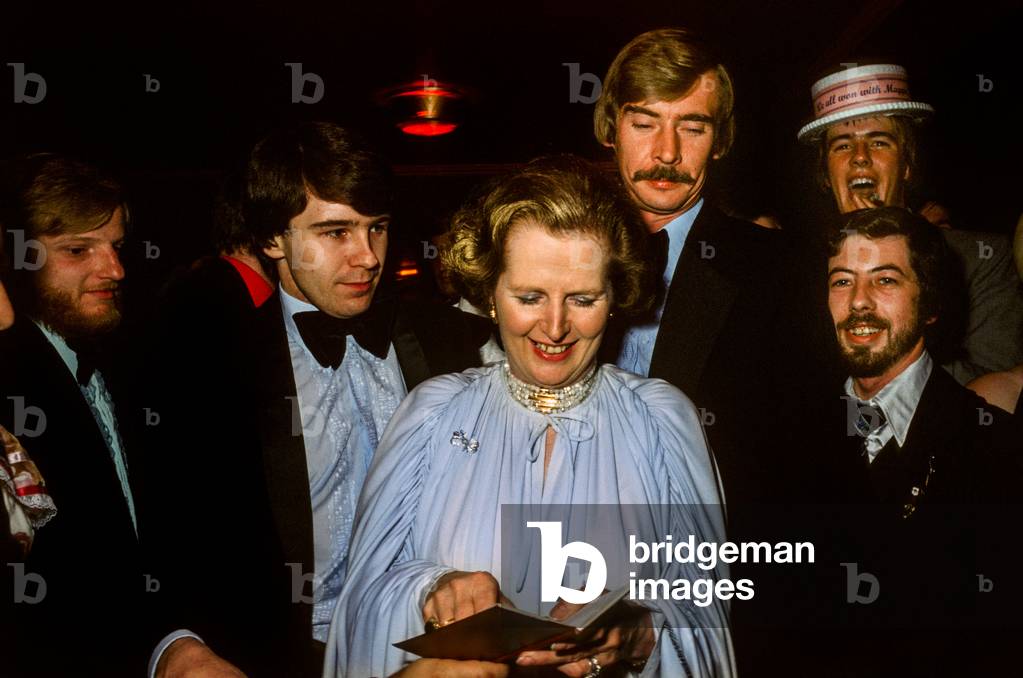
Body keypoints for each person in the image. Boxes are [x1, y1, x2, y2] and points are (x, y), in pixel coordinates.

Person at [325, 156, 735, 678]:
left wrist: (639, 634)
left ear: (616, 298)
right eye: (529, 297)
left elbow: (707, 617)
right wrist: (430, 590)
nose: (556, 326)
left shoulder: (663, 421)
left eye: (583, 298)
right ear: (491, 295)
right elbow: (358, 610)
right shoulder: (432, 414)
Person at [145, 121, 490, 677]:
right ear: (272, 239)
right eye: (336, 233)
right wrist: (177, 644)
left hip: (437, 647)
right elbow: (170, 535)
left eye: (376, 229)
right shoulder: (215, 363)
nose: (369, 257)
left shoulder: (452, 340)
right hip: (288, 659)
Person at [807, 206, 1019, 676]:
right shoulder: (781, 439)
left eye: (885, 281)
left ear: (930, 304)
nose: (859, 303)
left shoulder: (998, 452)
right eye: (842, 281)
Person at [0, 153, 146, 675]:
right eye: (78, 249)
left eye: (116, 246)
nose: (115, 269)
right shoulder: (9, 384)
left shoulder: (122, 359)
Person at [797, 62, 1023, 384]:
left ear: (906, 165)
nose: (859, 156)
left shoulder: (979, 259)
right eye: (843, 145)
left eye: (879, 142)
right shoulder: (794, 269)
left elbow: (998, 386)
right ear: (826, 175)